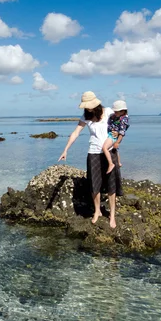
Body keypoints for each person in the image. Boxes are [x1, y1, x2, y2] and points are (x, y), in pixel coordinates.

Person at [58, 91, 123, 229]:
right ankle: (97, 211)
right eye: (86, 106)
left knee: (112, 185)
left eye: (89, 106)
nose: (87, 108)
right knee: (94, 184)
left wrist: (117, 135)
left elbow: (121, 124)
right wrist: (66, 149)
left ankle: (112, 216)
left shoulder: (109, 112)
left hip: (109, 151)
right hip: (93, 152)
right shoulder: (85, 116)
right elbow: (75, 133)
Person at [102, 100, 129, 174]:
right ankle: (119, 163)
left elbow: (122, 132)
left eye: (116, 112)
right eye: (115, 111)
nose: (115, 113)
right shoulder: (115, 116)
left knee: (104, 148)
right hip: (112, 134)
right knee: (115, 150)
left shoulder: (123, 119)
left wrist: (117, 142)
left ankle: (111, 163)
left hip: (113, 136)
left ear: (122, 111)